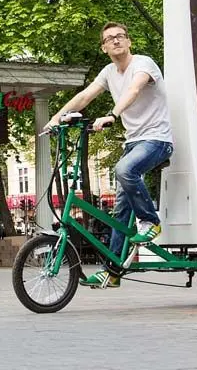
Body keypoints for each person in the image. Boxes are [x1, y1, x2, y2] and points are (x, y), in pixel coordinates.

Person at [44, 22, 173, 288]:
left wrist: (113, 115)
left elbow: (134, 90)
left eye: (120, 37)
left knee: (124, 170)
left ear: (129, 41)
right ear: (104, 48)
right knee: (120, 212)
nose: (115, 41)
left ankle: (151, 221)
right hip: (133, 144)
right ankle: (112, 272)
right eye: (109, 39)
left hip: (157, 140)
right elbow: (85, 96)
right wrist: (56, 118)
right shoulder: (107, 72)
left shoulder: (143, 64)